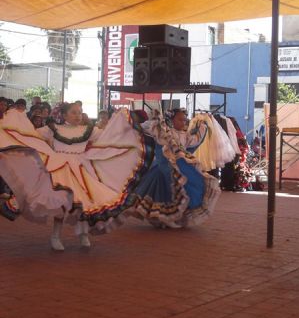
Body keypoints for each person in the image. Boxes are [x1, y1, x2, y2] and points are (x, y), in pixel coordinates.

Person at [0, 103, 154, 251]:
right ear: (64, 114)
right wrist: (16, 124)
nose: (77, 115)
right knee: (60, 201)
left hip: (81, 168)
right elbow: (32, 135)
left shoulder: (89, 129)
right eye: (73, 112)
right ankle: (55, 235)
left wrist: (122, 122)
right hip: (59, 168)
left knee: (84, 202)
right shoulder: (53, 129)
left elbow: (108, 136)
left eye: (80, 112)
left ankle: (83, 234)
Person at [134, 108, 220, 228]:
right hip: (165, 168)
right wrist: (156, 121)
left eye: (185, 120)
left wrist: (202, 127)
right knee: (164, 194)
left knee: (183, 192)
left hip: (181, 168)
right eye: (180, 120)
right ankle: (163, 218)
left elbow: (195, 141)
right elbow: (147, 129)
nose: (183, 123)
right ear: (171, 120)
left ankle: (175, 217)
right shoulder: (164, 132)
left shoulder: (185, 135)